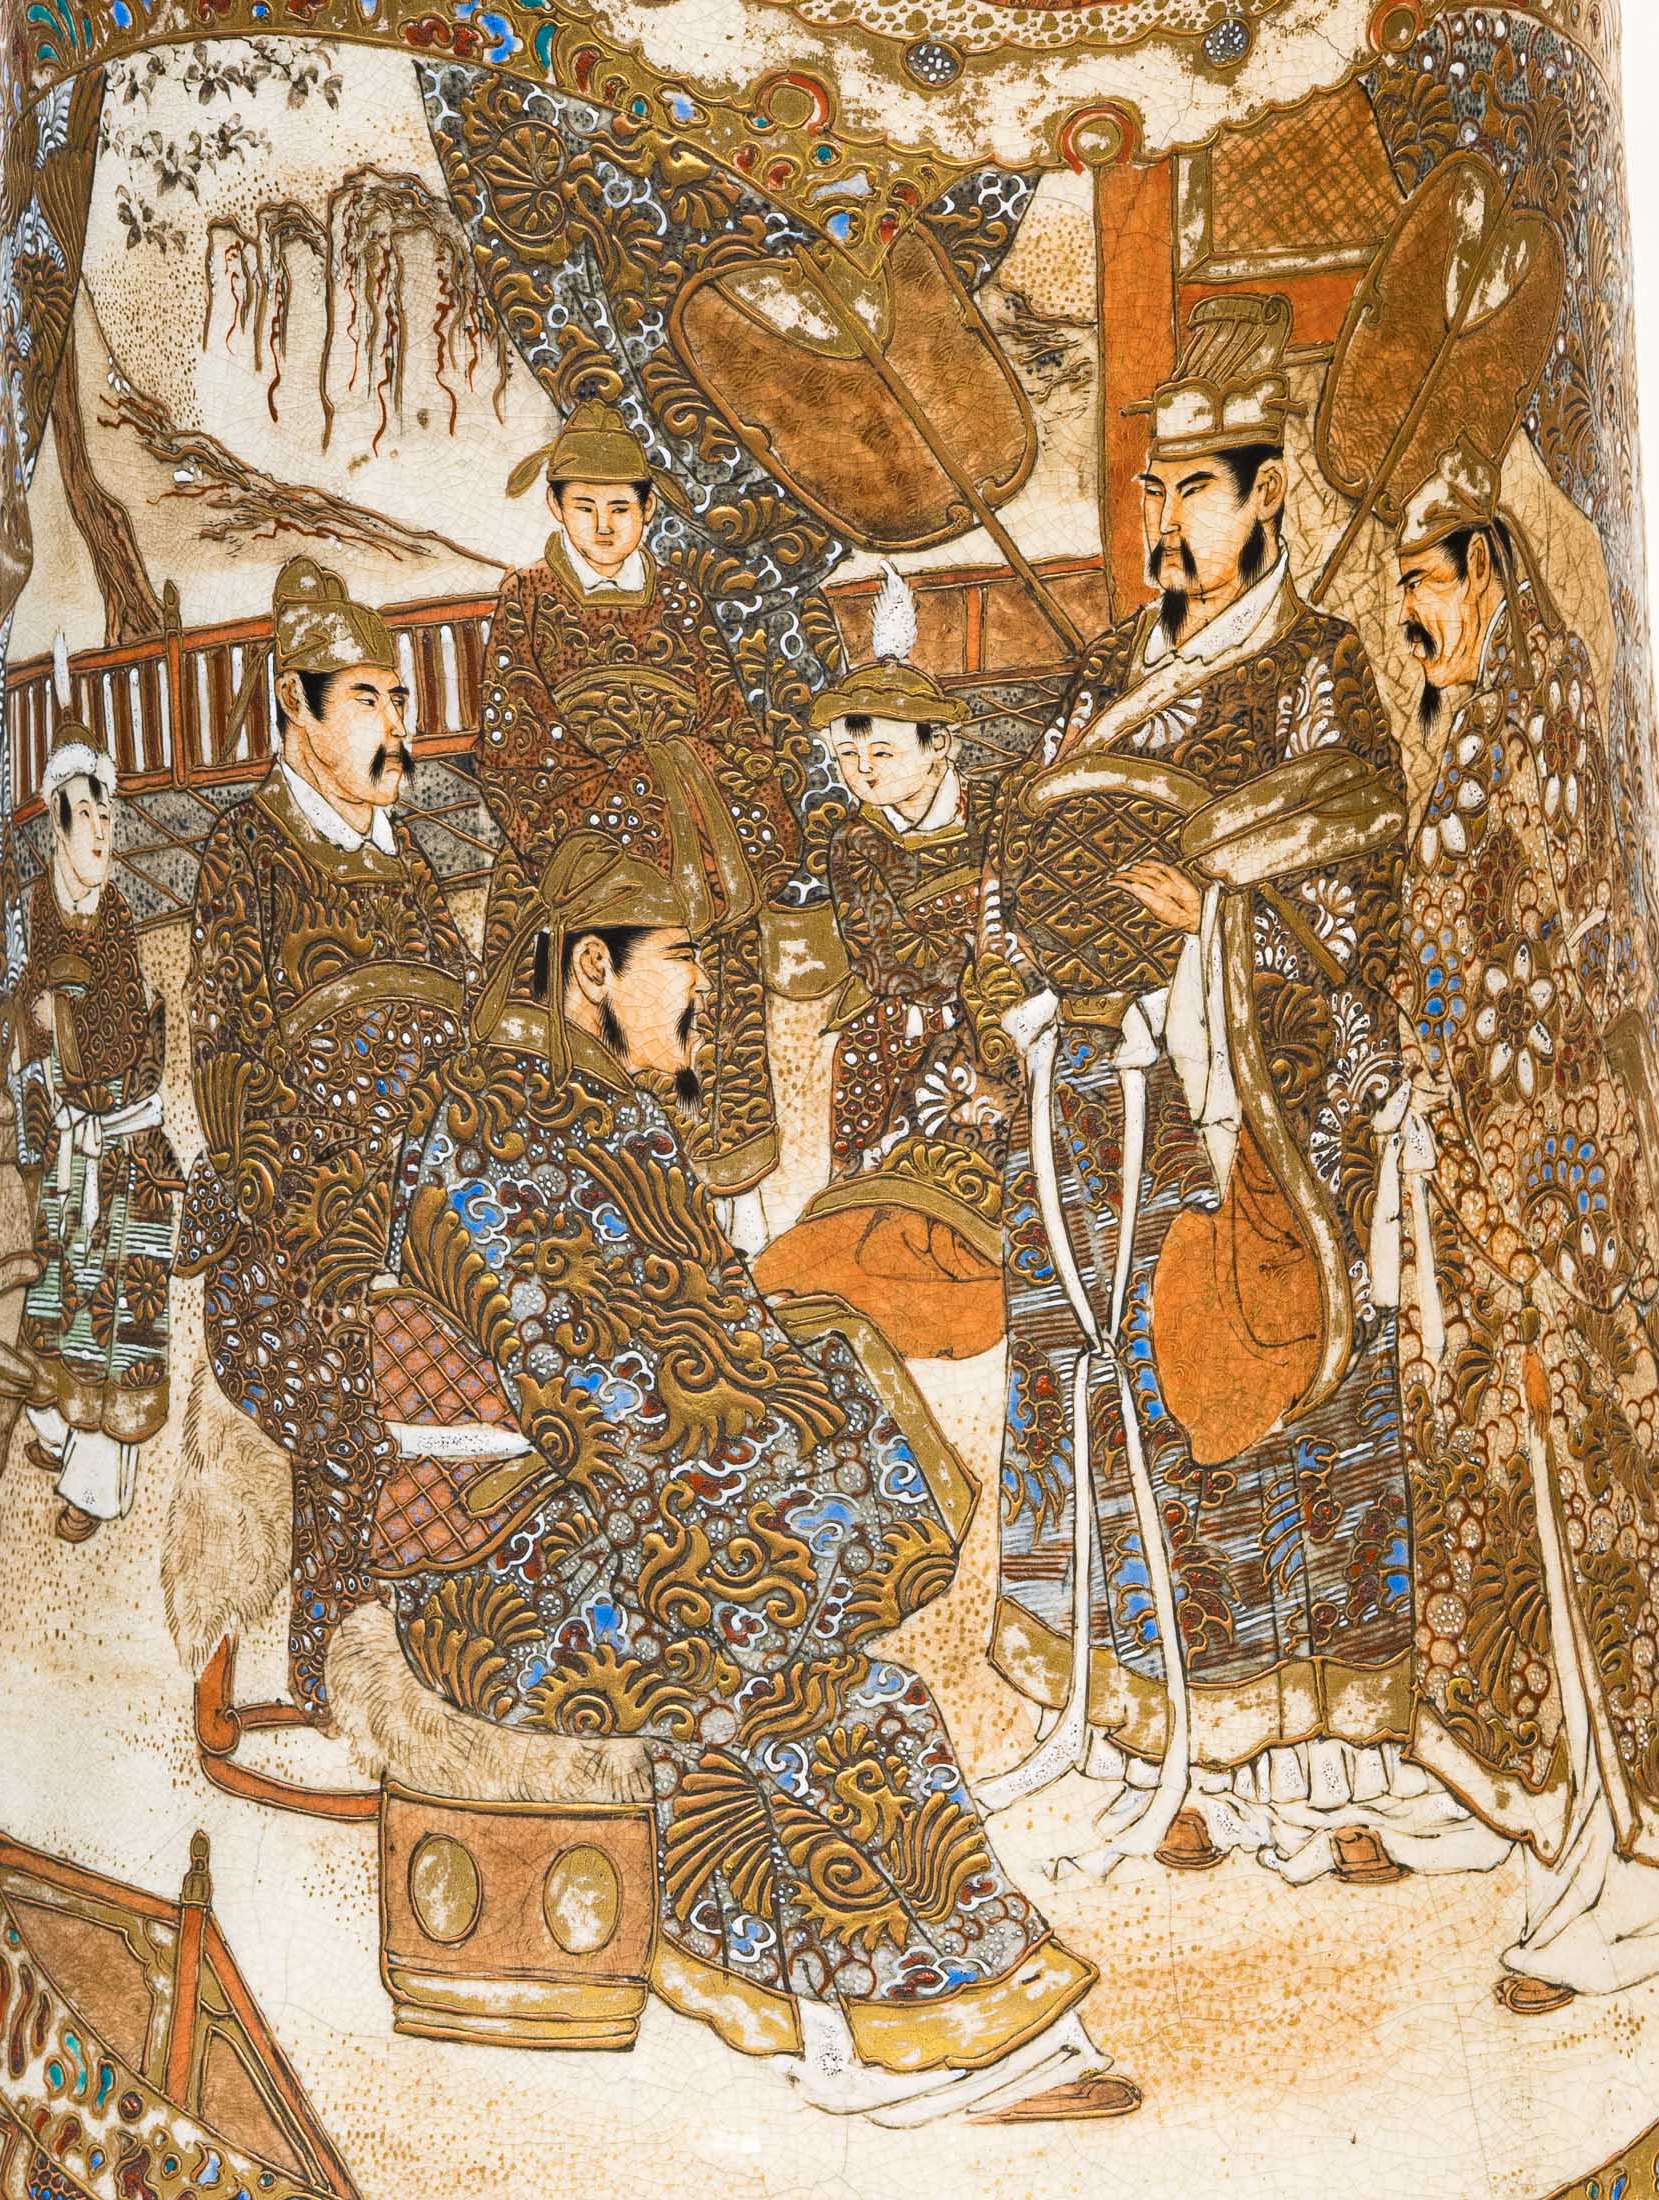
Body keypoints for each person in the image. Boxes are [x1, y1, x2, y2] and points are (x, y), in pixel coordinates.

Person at [363, 831, 1135, 2127]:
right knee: (813, 1682)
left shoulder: (594, 1116)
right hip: (511, 1579)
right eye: (680, 960)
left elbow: (707, 1355)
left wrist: (806, 1438)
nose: (704, 992)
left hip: (629, 1529)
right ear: (592, 969)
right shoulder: (493, 1127)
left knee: (829, 1669)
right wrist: (808, 1472)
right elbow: (609, 1397)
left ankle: (893, 2021)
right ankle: (890, 2036)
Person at [967, 294, 1486, 1885]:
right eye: (1155, 492)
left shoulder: (1317, 672)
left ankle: (1321, 1772)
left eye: (1198, 490)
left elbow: (1357, 889)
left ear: (1268, 498)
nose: (1169, 523)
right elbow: (1011, 871)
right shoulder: (1100, 678)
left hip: (1252, 1103)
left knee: (1271, 1406)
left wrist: (1214, 919)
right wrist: (1034, 965)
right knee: (1114, 1401)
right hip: (1093, 1094)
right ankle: (1152, 1743)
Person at [1382, 440, 1659, 2011]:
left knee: (1594, 1505)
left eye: (1424, 584)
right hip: (1497, 1186)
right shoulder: (1487, 724)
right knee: (1534, 1503)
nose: (1409, 615)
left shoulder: (1535, 729)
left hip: (1548, 1193)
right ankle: (1591, 1839)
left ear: (1487, 575)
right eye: (1400, 589)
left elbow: (1559, 972)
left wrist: (1521, 1200)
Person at [179, 555, 469, 1715]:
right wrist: (316, 1216)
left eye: (398, 699)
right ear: (294, 709)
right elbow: (226, 1059)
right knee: (361, 1389)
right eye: (364, 700)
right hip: (287, 1250)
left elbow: (469, 1039)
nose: (395, 725)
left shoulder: (410, 866)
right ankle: (333, 1680)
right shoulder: (245, 857)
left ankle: (480, 1651)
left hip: (423, 1221)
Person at [477, 399, 800, 1245]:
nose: (602, 525)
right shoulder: (526, 600)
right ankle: (579, 1224)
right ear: (556, 506)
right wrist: (628, 808)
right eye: (584, 506)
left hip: (696, 845)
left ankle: (727, 1219)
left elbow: (731, 722)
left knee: (714, 1023)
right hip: (579, 861)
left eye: (620, 507)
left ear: (648, 510)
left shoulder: (682, 602)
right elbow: (516, 740)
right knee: (573, 1021)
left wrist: (711, 800)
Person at [755, 570, 1012, 1360]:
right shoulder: (856, 842)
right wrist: (971, 945)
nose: (863, 770)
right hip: (900, 1033)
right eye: (848, 753)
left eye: (883, 750)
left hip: (1005, 1018)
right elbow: (892, 959)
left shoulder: (1004, 813)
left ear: (939, 748)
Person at [13, 728, 182, 1543]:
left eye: (109, 814)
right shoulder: (41, 906)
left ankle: (95, 1488)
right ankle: (55, 1432)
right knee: (56, 1293)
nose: (103, 829)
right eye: (86, 814)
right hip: (70, 1135)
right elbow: (26, 1009)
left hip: (123, 1143)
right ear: (57, 820)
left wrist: (64, 1014)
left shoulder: (113, 913)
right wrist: (40, 1016)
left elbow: (118, 1035)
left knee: (115, 1322)